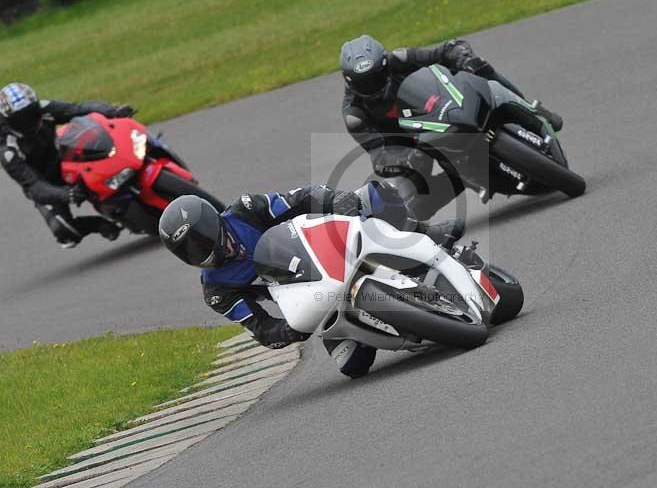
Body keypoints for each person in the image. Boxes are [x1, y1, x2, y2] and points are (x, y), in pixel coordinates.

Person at [158, 181, 465, 378]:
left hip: (324, 245)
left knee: (371, 196)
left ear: (213, 223)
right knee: (353, 365)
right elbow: (259, 327)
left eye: (198, 242)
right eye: (188, 251)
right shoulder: (216, 289)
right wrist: (288, 330)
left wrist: (338, 201)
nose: (198, 252)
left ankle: (426, 234)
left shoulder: (246, 210)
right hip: (313, 295)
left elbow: (302, 198)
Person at [340, 35, 563, 220]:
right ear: (349, 81)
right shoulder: (355, 115)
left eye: (377, 76)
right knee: (413, 208)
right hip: (415, 146)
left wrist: (462, 56)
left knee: (481, 70)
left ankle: (532, 109)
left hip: (441, 109)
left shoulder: (400, 59)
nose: (373, 87)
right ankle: (463, 179)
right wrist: (403, 158)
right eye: (364, 83)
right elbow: (378, 154)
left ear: (385, 65)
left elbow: (444, 50)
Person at [0, 83, 136, 248]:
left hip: (65, 162)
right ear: (7, 119)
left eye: (31, 112)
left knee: (106, 148)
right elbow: (34, 186)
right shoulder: (7, 149)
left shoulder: (44, 109)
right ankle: (97, 224)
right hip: (45, 184)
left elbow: (78, 109)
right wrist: (68, 195)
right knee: (64, 231)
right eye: (20, 118)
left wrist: (112, 111)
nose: (28, 119)